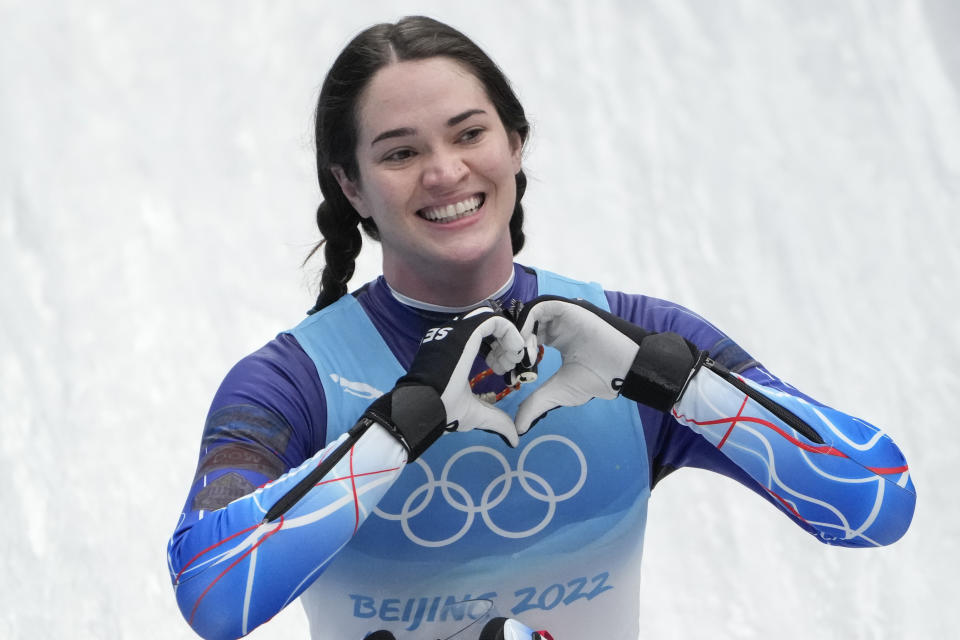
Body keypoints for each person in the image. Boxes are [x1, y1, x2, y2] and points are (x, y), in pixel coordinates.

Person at [166, 16, 916, 640]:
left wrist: (675, 383)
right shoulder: (292, 382)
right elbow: (213, 595)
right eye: (400, 152)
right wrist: (399, 428)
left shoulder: (637, 336)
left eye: (468, 134)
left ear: (515, 145)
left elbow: (875, 503)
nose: (444, 172)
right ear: (351, 185)